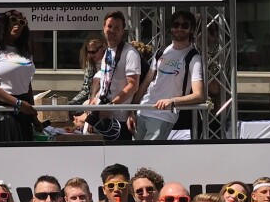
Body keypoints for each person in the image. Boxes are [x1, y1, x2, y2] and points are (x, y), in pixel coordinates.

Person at [135, 10, 205, 140]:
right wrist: (131, 109)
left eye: (185, 25)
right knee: (133, 156)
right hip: (143, 109)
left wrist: (172, 101)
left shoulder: (193, 57)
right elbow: (146, 83)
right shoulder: (161, 51)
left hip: (163, 115)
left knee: (148, 157)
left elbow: (199, 95)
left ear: (192, 29)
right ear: (171, 27)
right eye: (176, 24)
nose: (179, 28)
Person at [81, 11, 141, 141]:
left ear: (122, 30)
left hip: (118, 118)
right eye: (109, 26)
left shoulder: (130, 53)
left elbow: (133, 85)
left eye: (117, 28)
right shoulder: (107, 51)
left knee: (119, 157)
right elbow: (105, 81)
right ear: (104, 28)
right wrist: (96, 100)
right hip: (102, 113)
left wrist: (111, 106)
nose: (112, 30)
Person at [0, 10, 38, 142]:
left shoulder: (26, 53)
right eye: (13, 21)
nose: (18, 25)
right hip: (1, 108)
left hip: (23, 106)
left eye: (22, 23)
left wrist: (33, 115)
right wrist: (17, 103)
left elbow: (27, 84)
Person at [69, 34, 106, 122]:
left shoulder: (109, 63)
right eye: (88, 52)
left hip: (104, 101)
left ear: (103, 48)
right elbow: (86, 89)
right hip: (91, 101)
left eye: (94, 51)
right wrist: (71, 104)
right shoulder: (90, 64)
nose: (90, 55)